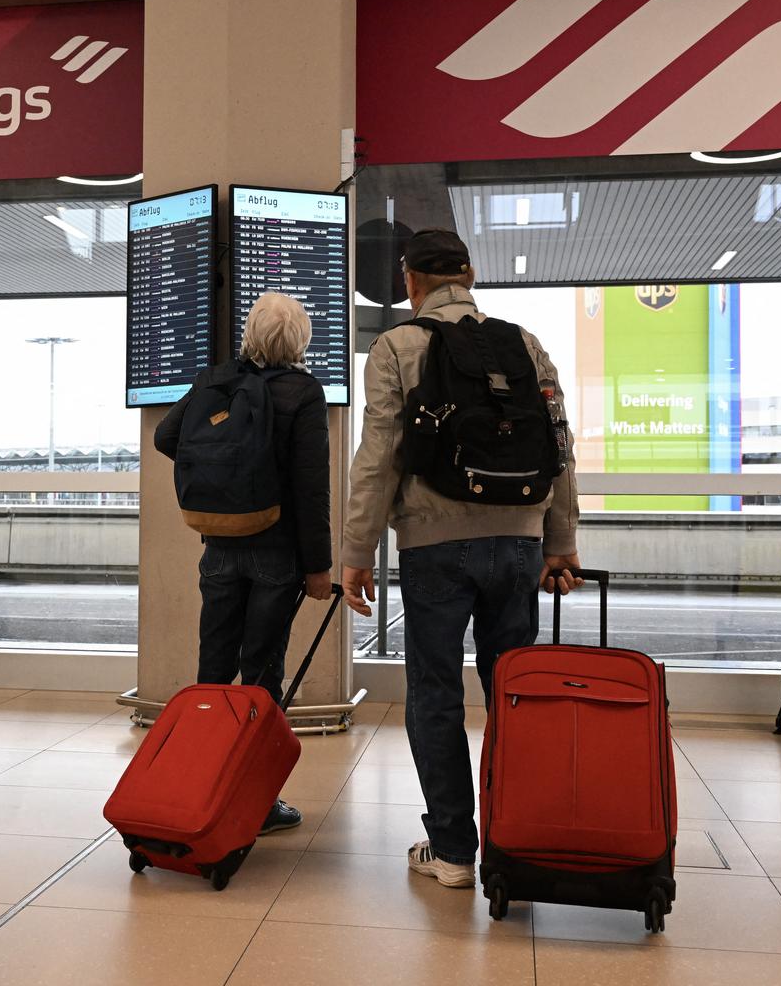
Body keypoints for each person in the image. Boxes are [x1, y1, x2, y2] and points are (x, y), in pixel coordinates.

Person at [340, 228, 581, 888]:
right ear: (469, 275)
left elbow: (378, 459)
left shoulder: (396, 346)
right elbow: (559, 445)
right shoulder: (525, 344)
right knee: (516, 692)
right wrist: (559, 540)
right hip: (521, 541)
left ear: (409, 281)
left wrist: (356, 551)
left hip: (434, 541)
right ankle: (517, 837)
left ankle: (451, 851)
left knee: (436, 693)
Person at [155, 291, 332, 836]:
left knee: (212, 673)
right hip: (276, 552)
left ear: (251, 334)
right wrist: (318, 567)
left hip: (219, 548)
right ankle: (255, 800)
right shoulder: (303, 392)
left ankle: (197, 787)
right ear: (299, 340)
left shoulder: (215, 380)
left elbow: (166, 437)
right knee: (261, 676)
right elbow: (310, 488)